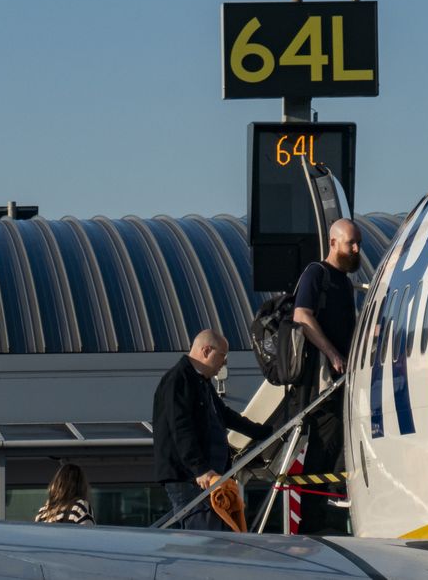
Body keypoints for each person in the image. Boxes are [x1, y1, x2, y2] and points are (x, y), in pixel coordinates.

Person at [153, 329, 272, 531]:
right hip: (192, 478)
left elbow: (223, 415)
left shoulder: (201, 382)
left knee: (219, 530)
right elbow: (181, 428)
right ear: (207, 350)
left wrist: (263, 432)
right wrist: (199, 468)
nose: (224, 363)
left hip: (210, 476)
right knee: (206, 533)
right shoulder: (179, 380)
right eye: (222, 356)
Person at [289, 218, 361, 533]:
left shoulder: (344, 282)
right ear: (333, 243)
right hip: (326, 380)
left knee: (341, 441)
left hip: (345, 376)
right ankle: (314, 523)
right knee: (323, 445)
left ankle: (331, 510)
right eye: (350, 243)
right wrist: (332, 353)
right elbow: (301, 315)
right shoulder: (316, 274)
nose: (356, 249)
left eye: (358, 243)